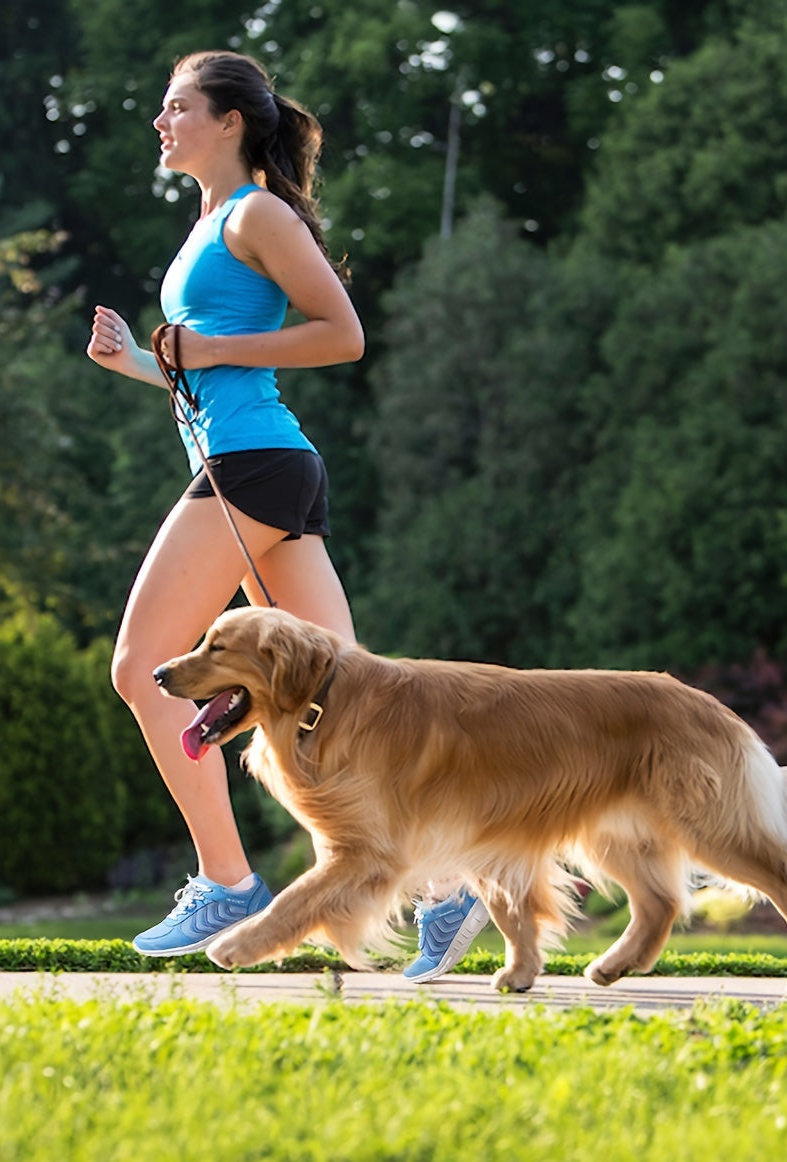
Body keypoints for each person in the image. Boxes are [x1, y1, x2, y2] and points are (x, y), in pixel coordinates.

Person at [85, 49, 488, 974]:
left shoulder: (259, 212)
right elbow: (216, 367)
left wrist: (205, 353)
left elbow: (340, 334)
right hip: (262, 463)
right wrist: (141, 366)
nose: (160, 121)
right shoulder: (208, 223)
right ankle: (451, 884)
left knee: (144, 666)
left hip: (253, 467)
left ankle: (227, 882)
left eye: (177, 106)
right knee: (346, 700)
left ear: (229, 121)